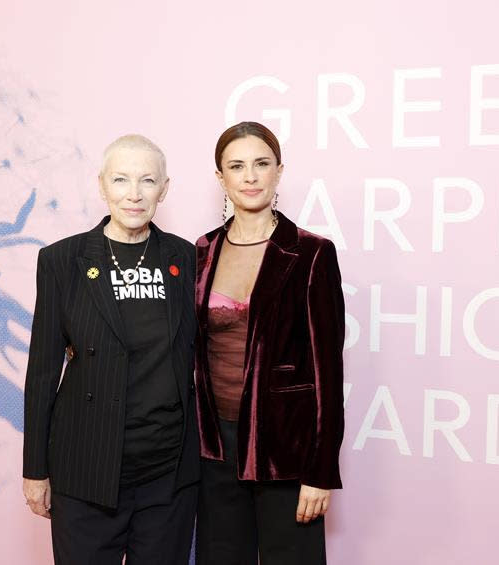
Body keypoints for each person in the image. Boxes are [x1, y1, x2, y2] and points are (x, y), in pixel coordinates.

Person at [22, 135, 199, 565]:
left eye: (147, 180)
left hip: (167, 475)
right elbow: (43, 370)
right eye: (120, 179)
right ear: (102, 186)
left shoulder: (188, 258)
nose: (134, 194)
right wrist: (34, 469)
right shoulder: (62, 260)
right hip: (84, 470)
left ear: (165, 188)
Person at [194, 121, 345, 565]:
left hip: (286, 451)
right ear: (220, 177)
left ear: (279, 171)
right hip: (214, 448)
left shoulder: (311, 253)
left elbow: (328, 370)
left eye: (261, 164)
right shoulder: (201, 251)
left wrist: (321, 472)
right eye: (236, 166)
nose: (250, 176)